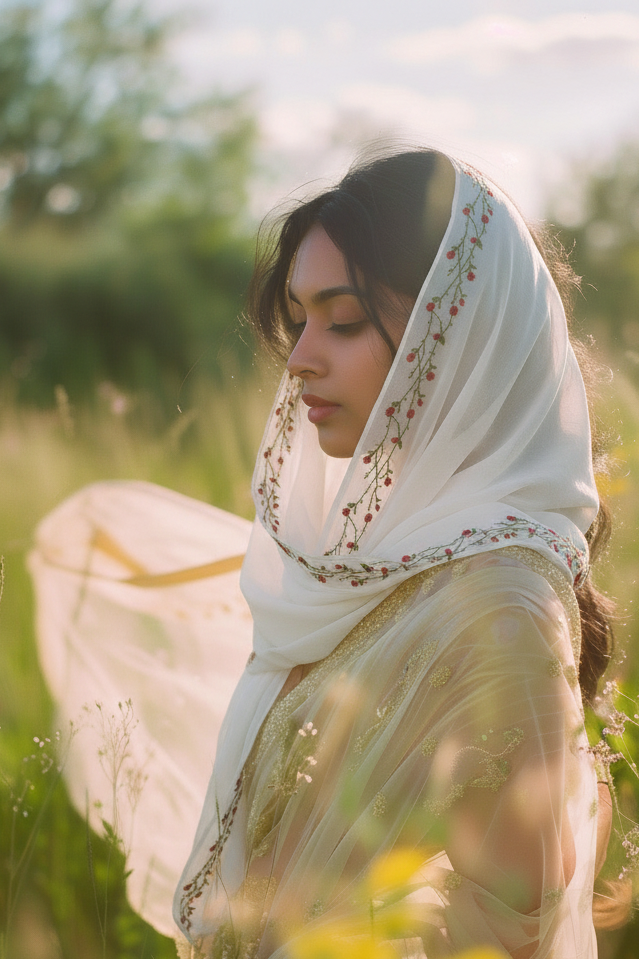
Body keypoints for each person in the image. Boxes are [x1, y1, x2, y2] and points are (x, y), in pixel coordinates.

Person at [30, 148, 614, 957]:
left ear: (454, 339)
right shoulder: (382, 564)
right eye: (300, 319)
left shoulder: (501, 613)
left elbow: (509, 938)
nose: (301, 357)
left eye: (341, 321)